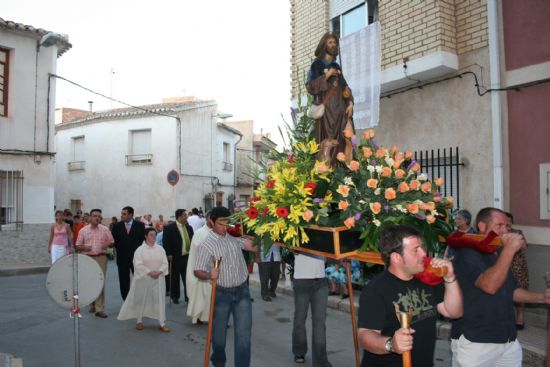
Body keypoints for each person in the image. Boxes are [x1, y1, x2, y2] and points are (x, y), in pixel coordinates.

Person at [452, 207, 550, 366]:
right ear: (482, 226)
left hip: (507, 340)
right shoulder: (467, 252)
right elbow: (489, 286)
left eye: (507, 226)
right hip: (476, 341)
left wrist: (542, 298)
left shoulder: (495, 253)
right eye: (499, 226)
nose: (505, 231)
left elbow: (511, 291)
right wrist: (509, 250)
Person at [357, 225, 462, 367]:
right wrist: (391, 345)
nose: (424, 253)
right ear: (396, 258)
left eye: (422, 247)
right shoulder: (376, 289)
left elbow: (453, 312)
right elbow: (365, 335)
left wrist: (450, 278)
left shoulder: (426, 279)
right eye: (415, 250)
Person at [194, 206, 258, 367]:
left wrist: (260, 233)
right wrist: (209, 275)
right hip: (222, 293)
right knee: (219, 335)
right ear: (211, 222)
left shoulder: (234, 236)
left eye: (227, 224)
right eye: (221, 224)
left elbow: (253, 246)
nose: (224, 228)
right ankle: (219, 363)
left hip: (242, 291)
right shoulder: (205, 245)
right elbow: (198, 270)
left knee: (244, 335)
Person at [307, 32, 355, 165]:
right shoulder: (316, 65)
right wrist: (327, 76)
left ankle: (342, 169)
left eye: (334, 43)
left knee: (342, 142)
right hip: (327, 113)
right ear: (324, 45)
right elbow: (311, 87)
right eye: (330, 42)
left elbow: (345, 87)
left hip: (340, 111)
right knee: (327, 143)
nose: (333, 45)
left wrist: (350, 103)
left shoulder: (337, 66)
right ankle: (326, 170)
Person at [117, 227, 170, 332]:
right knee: (141, 299)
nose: (154, 237)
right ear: (145, 236)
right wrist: (150, 272)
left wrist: (158, 272)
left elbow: (165, 263)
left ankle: (162, 322)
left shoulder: (160, 249)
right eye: (151, 235)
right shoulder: (139, 250)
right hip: (143, 279)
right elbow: (138, 265)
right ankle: (139, 320)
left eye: (155, 235)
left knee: (159, 300)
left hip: (158, 279)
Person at [292, 253, 332, 366]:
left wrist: (339, 260)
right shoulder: (297, 234)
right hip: (301, 280)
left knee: (320, 323)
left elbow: (328, 255)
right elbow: (294, 249)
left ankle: (320, 361)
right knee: (299, 319)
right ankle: (299, 351)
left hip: (321, 280)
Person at [75, 208, 114, 318]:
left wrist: (108, 245)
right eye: (95, 216)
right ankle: (92, 303)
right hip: (88, 258)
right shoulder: (83, 230)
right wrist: (84, 247)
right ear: (90, 217)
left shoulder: (105, 229)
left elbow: (112, 242)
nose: (97, 218)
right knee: (89, 282)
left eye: (99, 216)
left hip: (101, 258)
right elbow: (77, 245)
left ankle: (99, 308)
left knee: (100, 282)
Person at [111, 206, 146, 300]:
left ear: (131, 215)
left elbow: (143, 240)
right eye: (121, 214)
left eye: (124, 214)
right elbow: (114, 241)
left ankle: (138, 299)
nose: (121, 216)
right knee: (123, 281)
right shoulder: (117, 226)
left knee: (139, 279)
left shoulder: (140, 225)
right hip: (122, 258)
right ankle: (126, 300)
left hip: (137, 258)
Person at [186, 210, 212, 324]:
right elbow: (196, 252)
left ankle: (215, 317)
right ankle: (199, 316)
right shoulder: (199, 233)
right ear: (209, 219)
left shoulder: (220, 232)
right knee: (202, 297)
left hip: (215, 269)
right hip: (203, 270)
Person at [505, 212, 530, 330]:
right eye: (505, 220)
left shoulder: (518, 232)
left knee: (521, 290)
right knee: (504, 292)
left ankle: (520, 318)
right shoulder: (499, 233)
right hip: (504, 266)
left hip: (518, 266)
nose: (508, 223)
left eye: (509, 220)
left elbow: (524, 246)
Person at [163, 209, 193, 304]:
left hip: (187, 256)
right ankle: (175, 296)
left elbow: (192, 240)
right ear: (179, 217)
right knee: (175, 277)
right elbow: (166, 242)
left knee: (187, 277)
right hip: (175, 256)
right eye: (184, 215)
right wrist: (168, 254)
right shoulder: (170, 228)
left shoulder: (189, 227)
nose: (186, 217)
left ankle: (188, 296)